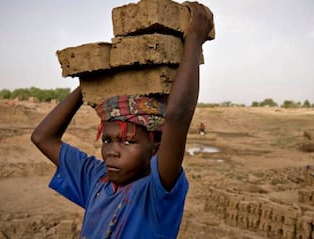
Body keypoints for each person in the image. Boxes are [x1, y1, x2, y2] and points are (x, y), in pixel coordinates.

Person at [31, 2, 214, 238]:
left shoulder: (156, 192)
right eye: (107, 140)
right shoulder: (96, 180)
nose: (112, 152)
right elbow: (41, 137)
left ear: (155, 147)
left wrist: (194, 38)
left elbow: (177, 116)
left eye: (128, 142)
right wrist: (88, 83)